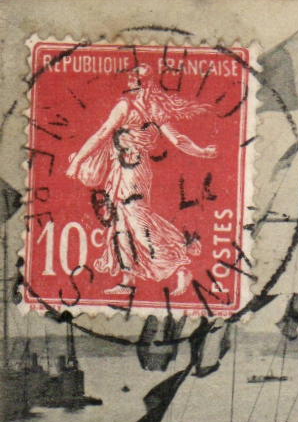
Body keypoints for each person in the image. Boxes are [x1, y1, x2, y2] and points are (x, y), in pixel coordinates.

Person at [65, 64, 217, 294]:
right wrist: (202, 151)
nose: (129, 80)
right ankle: (128, 280)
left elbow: (102, 133)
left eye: (133, 78)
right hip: (130, 169)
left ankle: (179, 266)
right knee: (120, 222)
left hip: (130, 172)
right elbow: (178, 140)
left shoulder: (125, 106)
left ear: (141, 82)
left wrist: (77, 162)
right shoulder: (153, 108)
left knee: (136, 221)